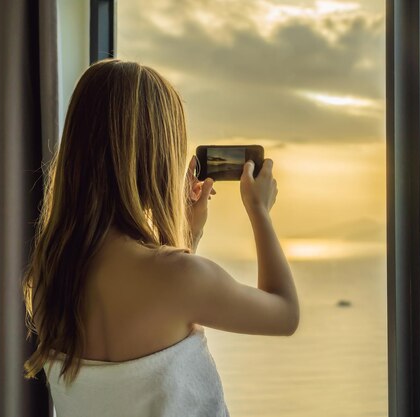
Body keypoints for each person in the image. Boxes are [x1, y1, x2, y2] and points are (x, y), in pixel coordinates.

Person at [22, 58, 300, 417]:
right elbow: (285, 314)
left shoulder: (48, 280)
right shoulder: (181, 278)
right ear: (157, 156)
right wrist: (258, 211)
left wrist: (188, 235)